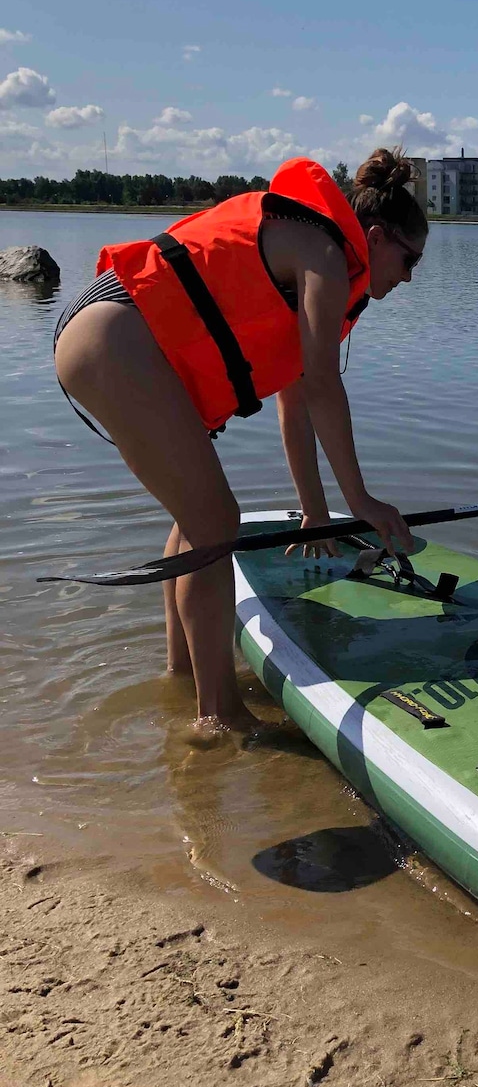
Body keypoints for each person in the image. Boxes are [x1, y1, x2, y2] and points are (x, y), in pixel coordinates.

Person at [54, 148, 426, 733]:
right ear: (376, 237)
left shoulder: (320, 254)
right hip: (117, 337)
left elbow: (296, 398)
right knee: (214, 523)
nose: (408, 278)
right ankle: (220, 719)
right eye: (410, 261)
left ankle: (183, 681)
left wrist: (314, 510)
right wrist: (363, 504)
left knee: (195, 523)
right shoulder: (327, 257)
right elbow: (326, 388)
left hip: (110, 334)